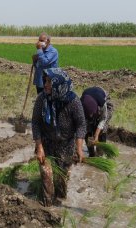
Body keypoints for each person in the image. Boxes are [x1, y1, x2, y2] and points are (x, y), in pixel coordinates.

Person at [31, 68, 86, 206]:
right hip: (46, 144)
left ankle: (60, 203)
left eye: (49, 82)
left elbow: (81, 125)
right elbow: (36, 123)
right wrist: (39, 148)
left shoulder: (73, 101)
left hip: (66, 146)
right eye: (45, 81)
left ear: (59, 83)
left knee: (62, 180)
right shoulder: (42, 99)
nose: (45, 85)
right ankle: (47, 208)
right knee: (47, 177)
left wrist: (79, 148)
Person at [80, 86, 114, 157]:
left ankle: (100, 154)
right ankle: (91, 153)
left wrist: (97, 134)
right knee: (88, 129)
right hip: (86, 106)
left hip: (105, 102)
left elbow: (103, 119)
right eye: (90, 115)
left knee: (102, 129)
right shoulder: (80, 106)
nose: (91, 116)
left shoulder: (102, 103)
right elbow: (80, 126)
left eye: (93, 114)